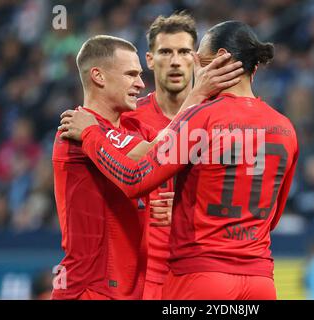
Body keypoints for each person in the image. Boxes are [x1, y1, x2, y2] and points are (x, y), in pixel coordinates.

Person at [59, 21, 299, 300]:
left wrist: (89, 134)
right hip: (260, 280)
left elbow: (134, 178)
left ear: (218, 59)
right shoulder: (285, 128)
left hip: (200, 276)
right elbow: (271, 216)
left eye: (195, 56)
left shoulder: (201, 118)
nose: (190, 65)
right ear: (253, 69)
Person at [122, 12, 198, 299]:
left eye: (184, 52)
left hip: (200, 268)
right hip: (143, 274)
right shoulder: (127, 118)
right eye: (166, 52)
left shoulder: (218, 119)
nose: (175, 60)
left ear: (197, 58)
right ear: (150, 60)